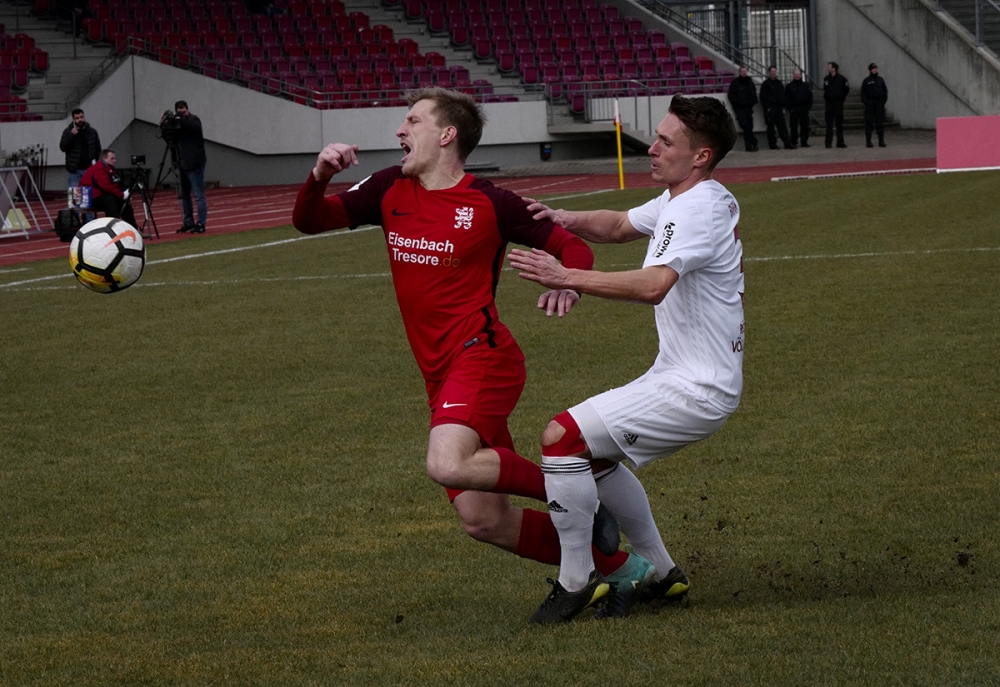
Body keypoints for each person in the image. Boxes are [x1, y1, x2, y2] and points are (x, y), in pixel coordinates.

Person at [291, 87, 645, 617]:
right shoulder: (388, 187)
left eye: (413, 120)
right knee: (484, 520)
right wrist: (320, 175)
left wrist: (570, 282)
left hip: (483, 357)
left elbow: (568, 244)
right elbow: (310, 220)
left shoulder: (491, 201)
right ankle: (627, 571)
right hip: (438, 375)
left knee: (446, 463)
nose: (400, 130)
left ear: (447, 134)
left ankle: (573, 495)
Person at [509, 95, 743, 624]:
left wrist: (566, 276)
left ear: (700, 156)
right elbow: (617, 225)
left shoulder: (695, 209)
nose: (652, 148)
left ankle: (575, 583)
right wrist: (561, 217)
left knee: (561, 438)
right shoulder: (690, 195)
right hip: (686, 374)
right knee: (589, 459)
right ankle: (661, 573)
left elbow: (654, 285)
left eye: (665, 141)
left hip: (697, 387)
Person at [170, 100, 208, 234]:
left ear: (187, 110)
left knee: (198, 194)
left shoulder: (194, 120)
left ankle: (201, 223)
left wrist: (180, 118)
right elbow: (170, 139)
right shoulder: (178, 124)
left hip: (195, 162)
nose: (182, 115)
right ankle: (188, 222)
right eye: (180, 113)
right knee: (185, 195)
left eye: (184, 112)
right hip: (183, 162)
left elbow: (191, 127)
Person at [79, 148, 137, 227]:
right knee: (110, 201)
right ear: (104, 159)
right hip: (85, 197)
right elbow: (105, 186)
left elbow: (114, 184)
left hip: (94, 195)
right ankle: (113, 228)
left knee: (124, 204)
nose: (115, 160)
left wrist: (122, 194)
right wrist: (122, 195)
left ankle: (133, 228)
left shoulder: (108, 168)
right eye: (112, 158)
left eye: (114, 158)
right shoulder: (99, 168)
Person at [59, 108, 101, 189]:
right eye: (77, 118)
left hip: (89, 169)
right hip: (75, 171)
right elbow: (63, 147)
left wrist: (95, 163)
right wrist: (71, 135)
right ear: (73, 119)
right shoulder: (68, 131)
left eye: (81, 117)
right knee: (75, 195)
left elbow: (98, 148)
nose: (80, 120)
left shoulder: (92, 132)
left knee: (90, 193)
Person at [759, 65, 793, 150]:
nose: (773, 73)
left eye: (775, 71)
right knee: (771, 128)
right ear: (769, 73)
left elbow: (783, 95)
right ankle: (772, 144)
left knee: (782, 127)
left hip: (779, 108)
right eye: (772, 72)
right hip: (771, 109)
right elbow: (763, 97)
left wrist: (783, 106)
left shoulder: (779, 83)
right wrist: (768, 108)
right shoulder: (766, 84)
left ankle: (787, 143)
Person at [727, 65, 758, 152]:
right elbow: (731, 95)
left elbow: (753, 94)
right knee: (745, 126)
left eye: (745, 71)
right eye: (742, 72)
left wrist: (751, 103)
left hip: (748, 108)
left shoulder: (750, 83)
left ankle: (750, 145)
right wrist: (738, 103)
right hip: (740, 109)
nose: (744, 73)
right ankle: (753, 142)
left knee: (749, 127)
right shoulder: (735, 83)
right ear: (739, 72)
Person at [861, 63, 888, 148]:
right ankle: (868, 141)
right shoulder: (866, 81)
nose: (875, 70)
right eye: (873, 68)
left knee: (880, 123)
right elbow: (863, 93)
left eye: (876, 68)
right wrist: (867, 103)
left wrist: (883, 101)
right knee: (869, 123)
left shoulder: (880, 80)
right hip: (870, 104)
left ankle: (881, 141)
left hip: (879, 104)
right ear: (870, 70)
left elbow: (885, 91)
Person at [823, 61, 850, 148]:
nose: (828, 68)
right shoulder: (826, 79)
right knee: (829, 124)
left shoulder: (842, 79)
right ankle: (828, 143)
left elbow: (846, 89)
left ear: (834, 69)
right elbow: (825, 89)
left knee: (839, 124)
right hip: (829, 104)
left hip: (838, 104)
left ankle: (840, 142)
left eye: (829, 67)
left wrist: (841, 97)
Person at [785, 68, 813, 148]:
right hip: (794, 109)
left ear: (801, 75)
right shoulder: (789, 86)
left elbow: (810, 97)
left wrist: (808, 107)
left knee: (805, 126)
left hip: (804, 108)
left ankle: (804, 141)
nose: (797, 76)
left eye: (798, 74)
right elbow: (786, 98)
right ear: (793, 75)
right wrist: (790, 108)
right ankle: (794, 141)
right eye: (795, 74)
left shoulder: (805, 85)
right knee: (793, 126)